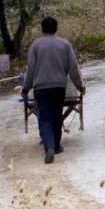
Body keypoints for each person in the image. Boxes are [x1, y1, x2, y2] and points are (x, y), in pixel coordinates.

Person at [21, 16, 85, 164]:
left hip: (41, 89)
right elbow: (73, 68)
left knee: (45, 118)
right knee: (57, 116)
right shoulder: (65, 45)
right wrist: (80, 86)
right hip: (59, 87)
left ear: (42, 29)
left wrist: (26, 88)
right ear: (56, 28)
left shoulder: (36, 46)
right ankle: (56, 146)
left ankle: (49, 147)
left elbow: (30, 70)